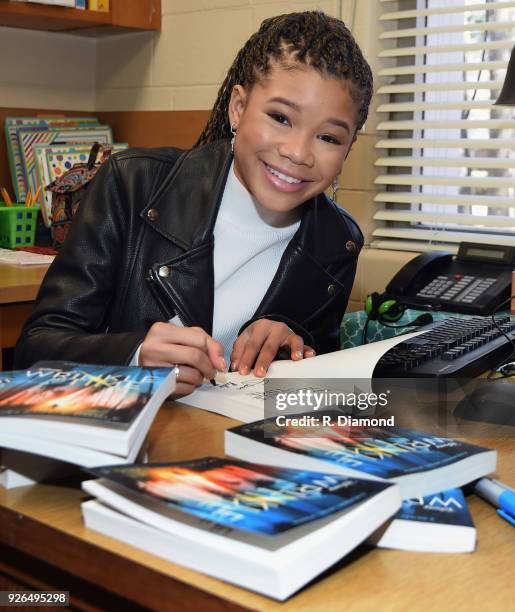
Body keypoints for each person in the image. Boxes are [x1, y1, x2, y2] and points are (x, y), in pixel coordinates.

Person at [14, 11, 372, 398]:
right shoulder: (132, 184)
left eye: (329, 138)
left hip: (228, 446)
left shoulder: (338, 241)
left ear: (349, 147)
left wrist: (296, 347)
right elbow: (35, 350)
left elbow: (316, 390)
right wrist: (132, 357)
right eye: (280, 117)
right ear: (238, 107)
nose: (298, 152)